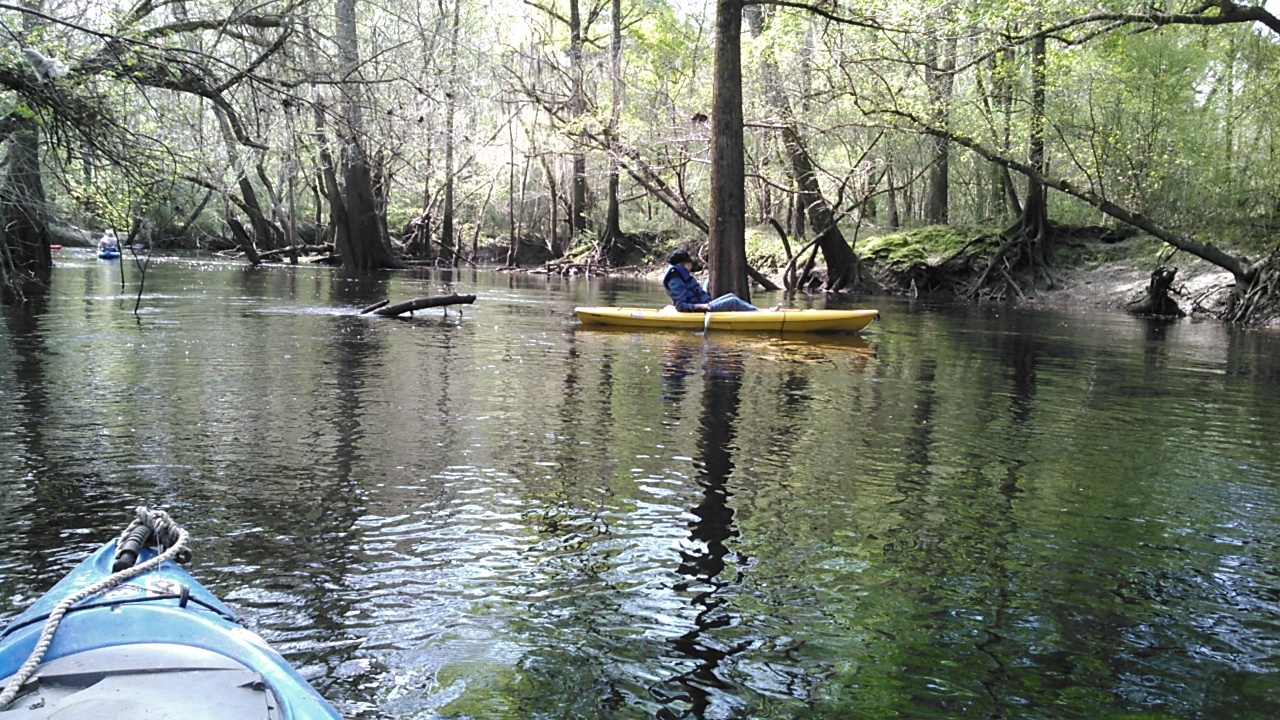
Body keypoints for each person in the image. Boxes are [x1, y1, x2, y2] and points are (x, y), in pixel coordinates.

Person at [662, 249, 761, 312]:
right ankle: (758, 314)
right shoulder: (675, 280)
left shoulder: (679, 276)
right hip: (700, 310)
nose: (691, 265)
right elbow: (680, 306)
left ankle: (756, 311)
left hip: (704, 306)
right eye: (689, 263)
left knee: (731, 296)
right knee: (732, 301)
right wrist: (702, 306)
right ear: (683, 264)